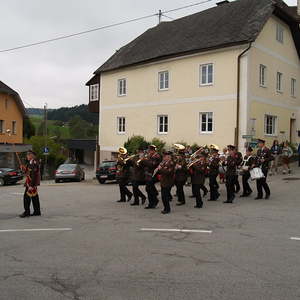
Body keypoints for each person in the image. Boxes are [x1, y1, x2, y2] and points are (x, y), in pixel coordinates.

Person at [19, 150, 41, 218]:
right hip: (30, 182)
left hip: (31, 183)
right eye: (27, 155)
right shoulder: (29, 163)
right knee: (35, 197)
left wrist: (31, 185)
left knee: (26, 198)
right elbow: (26, 172)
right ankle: (37, 211)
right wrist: (22, 168)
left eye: (28, 155)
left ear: (32, 155)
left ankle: (27, 212)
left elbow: (34, 175)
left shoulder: (34, 163)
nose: (27, 156)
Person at [139, 145, 161, 209]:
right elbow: (145, 165)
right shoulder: (149, 156)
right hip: (148, 174)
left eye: (149, 150)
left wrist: (143, 160)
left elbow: (152, 165)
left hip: (154, 175)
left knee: (149, 188)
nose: (148, 152)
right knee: (148, 189)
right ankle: (153, 202)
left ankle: (153, 202)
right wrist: (141, 161)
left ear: (153, 150)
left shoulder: (157, 156)